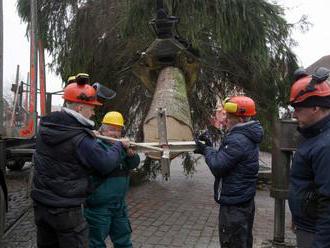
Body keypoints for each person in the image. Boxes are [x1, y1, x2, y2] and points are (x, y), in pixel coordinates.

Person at [31, 74, 129, 248]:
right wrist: (119, 146)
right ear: (78, 107)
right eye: (91, 107)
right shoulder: (80, 138)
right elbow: (105, 164)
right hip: (66, 210)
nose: (93, 112)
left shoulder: (46, 126)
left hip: (41, 205)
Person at [194, 95, 263, 248]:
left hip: (234, 207)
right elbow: (227, 158)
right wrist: (210, 147)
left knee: (232, 243)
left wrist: (206, 150)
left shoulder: (238, 139)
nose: (225, 120)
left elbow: (218, 166)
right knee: (243, 241)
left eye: (229, 116)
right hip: (243, 200)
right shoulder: (246, 135)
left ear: (240, 120)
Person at [84, 111, 140, 248]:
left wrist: (131, 155)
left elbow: (134, 164)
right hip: (98, 208)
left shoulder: (121, 147)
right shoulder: (95, 146)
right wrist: (121, 148)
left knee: (124, 241)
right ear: (102, 131)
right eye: (111, 129)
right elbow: (106, 165)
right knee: (95, 243)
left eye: (118, 130)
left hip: (119, 206)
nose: (115, 134)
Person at [288, 67, 330, 248]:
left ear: (315, 107)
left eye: (298, 108)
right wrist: (297, 216)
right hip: (307, 226)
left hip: (316, 234)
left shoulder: (325, 144)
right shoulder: (313, 135)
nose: (294, 114)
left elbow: (328, 202)